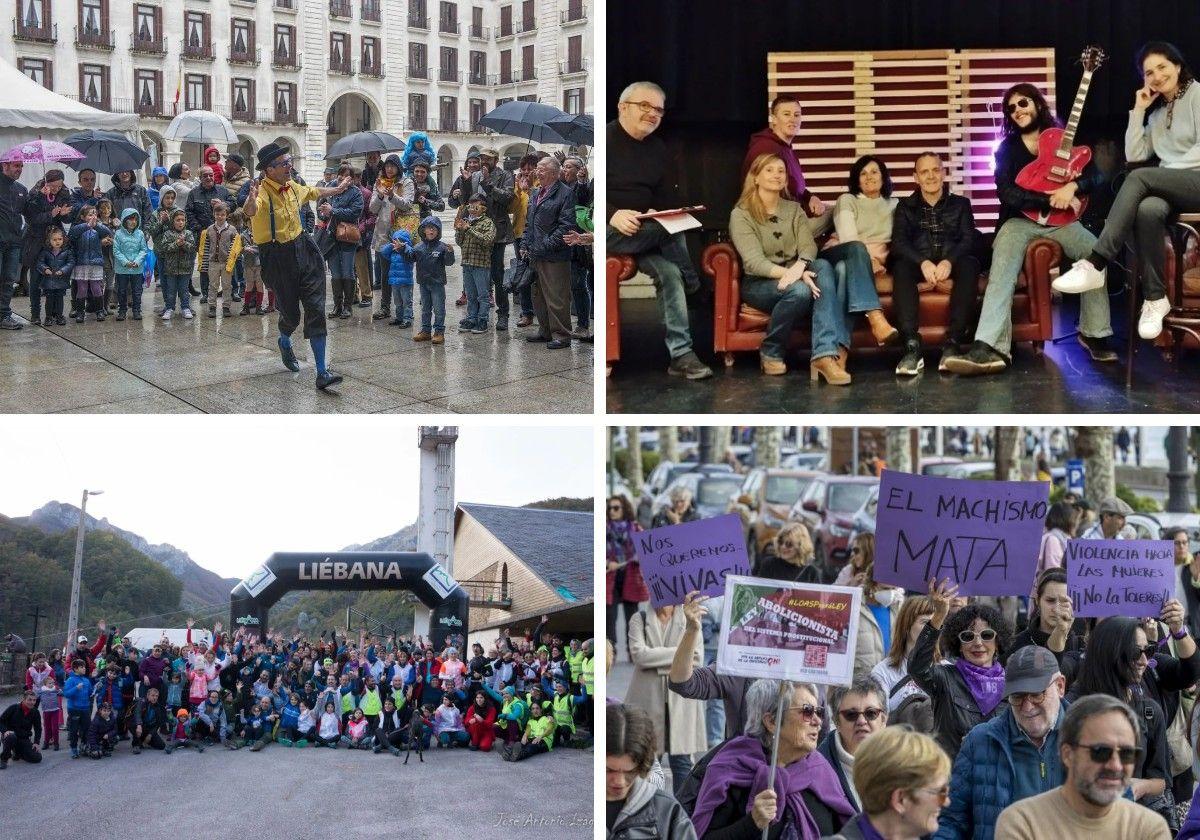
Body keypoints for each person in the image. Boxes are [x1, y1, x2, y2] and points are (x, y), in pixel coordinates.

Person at [945, 83, 1115, 375]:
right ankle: (989, 346)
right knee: (1001, 270)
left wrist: (1073, 185)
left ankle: (1093, 332)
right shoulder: (1007, 150)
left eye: (1022, 104)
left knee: (1094, 255)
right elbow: (1007, 193)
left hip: (1062, 224)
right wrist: (1050, 199)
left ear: (1037, 103)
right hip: (1019, 222)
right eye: (1010, 108)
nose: (1017, 111)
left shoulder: (1064, 138)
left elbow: (1096, 176)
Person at [1053, 42, 1200, 341]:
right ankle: (1156, 299)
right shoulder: (1157, 115)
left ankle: (1097, 261)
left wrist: (1163, 174)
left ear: (1178, 66)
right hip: (1171, 186)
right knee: (1147, 209)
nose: (1157, 76)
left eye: (1162, 67)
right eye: (1149, 72)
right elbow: (1134, 153)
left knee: (1140, 179)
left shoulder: (1198, 94)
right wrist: (1139, 111)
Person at [607, 80, 713, 379]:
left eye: (658, 110)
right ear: (622, 107)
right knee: (668, 232)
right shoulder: (604, 140)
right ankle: (697, 287)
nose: (653, 113)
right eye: (645, 106)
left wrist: (659, 210)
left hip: (644, 233)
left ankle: (681, 355)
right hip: (605, 230)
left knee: (670, 272)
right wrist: (612, 214)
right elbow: (583, 197)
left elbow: (663, 195)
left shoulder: (658, 148)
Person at [242, 142, 355, 390]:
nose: (289, 166)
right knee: (291, 315)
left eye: (289, 161)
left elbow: (313, 192)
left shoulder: (293, 186)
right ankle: (284, 340)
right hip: (277, 257)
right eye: (284, 163)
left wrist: (338, 189)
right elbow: (251, 210)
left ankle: (322, 372)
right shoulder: (261, 193)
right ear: (269, 169)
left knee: (315, 308)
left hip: (304, 248)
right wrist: (249, 200)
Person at [729, 153, 845, 380]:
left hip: (797, 271)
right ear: (756, 178)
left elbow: (808, 247)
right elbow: (754, 262)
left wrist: (799, 268)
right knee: (800, 291)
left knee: (822, 265)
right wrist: (795, 275)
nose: (776, 175)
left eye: (781, 171)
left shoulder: (793, 210)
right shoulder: (741, 214)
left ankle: (824, 353)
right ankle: (771, 349)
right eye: (769, 170)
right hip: (760, 282)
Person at [934, 645, 1067, 840]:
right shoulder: (980, 742)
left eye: (1037, 694)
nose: (1027, 706)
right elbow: (952, 821)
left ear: (1060, 686)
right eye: (1017, 696)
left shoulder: (1090, 739)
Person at [993, 694, 1171, 840]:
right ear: (1068, 755)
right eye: (1100, 752)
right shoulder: (1023, 823)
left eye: (1127, 754)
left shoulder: (1149, 829)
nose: (1116, 766)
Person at [692, 679, 854, 838]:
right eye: (807, 711)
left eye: (819, 712)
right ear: (771, 721)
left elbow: (846, 829)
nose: (818, 721)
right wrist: (751, 823)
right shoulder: (731, 769)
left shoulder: (820, 769)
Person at [1064, 617, 1173, 815]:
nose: (1144, 661)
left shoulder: (1150, 711)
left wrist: (1140, 786)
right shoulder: (1072, 709)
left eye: (1147, 650)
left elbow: (1162, 780)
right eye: (1135, 652)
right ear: (1110, 653)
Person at [889, 152, 980, 374]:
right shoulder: (904, 206)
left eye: (936, 170)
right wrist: (923, 263)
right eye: (924, 171)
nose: (930, 176)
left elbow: (969, 239)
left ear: (944, 173)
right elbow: (899, 242)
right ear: (915, 178)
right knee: (900, 267)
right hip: (919, 263)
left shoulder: (961, 204)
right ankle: (911, 346)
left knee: (970, 263)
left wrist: (949, 261)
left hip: (953, 259)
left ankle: (953, 343)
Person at [910, 578, 1013, 759]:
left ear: (998, 642)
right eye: (968, 636)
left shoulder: (1013, 685)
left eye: (987, 635)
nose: (978, 643)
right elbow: (917, 667)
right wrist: (938, 618)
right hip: (953, 777)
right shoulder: (944, 679)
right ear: (958, 644)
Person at [626, 598, 707, 795]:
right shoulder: (639, 618)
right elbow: (639, 656)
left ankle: (680, 815)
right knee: (648, 764)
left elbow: (696, 658)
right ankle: (649, 811)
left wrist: (656, 660)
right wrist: (680, 656)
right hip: (648, 702)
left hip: (682, 701)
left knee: (682, 764)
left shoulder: (690, 619)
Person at [741, 94, 832, 235]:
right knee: (842, 209)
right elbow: (773, 196)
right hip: (776, 227)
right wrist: (808, 209)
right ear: (774, 119)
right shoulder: (766, 149)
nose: (792, 119)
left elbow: (795, 188)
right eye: (786, 114)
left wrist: (810, 197)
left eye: (797, 115)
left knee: (837, 210)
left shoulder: (786, 149)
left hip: (794, 216)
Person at [607, 703, 698, 840]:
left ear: (642, 766)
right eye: (608, 770)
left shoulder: (668, 812)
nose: (619, 781)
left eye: (629, 772)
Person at [522, 156, 578, 349]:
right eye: (537, 169)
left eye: (542, 169)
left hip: (555, 255)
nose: (537, 172)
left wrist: (544, 245)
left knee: (557, 297)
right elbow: (529, 222)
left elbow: (566, 226)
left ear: (554, 173)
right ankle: (545, 331)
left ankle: (562, 335)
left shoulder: (565, 193)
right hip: (535, 254)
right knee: (538, 295)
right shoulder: (536, 192)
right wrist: (525, 244)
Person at [819, 679, 889, 811]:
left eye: (871, 713)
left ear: (884, 720)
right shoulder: (817, 769)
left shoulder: (903, 762)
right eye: (851, 715)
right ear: (837, 722)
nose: (862, 721)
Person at [21, 170, 73, 325]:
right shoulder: (36, 192)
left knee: (57, 278)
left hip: (55, 240)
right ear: (46, 182)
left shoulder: (64, 192)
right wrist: (50, 212)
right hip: (37, 240)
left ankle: (56, 314)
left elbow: (68, 217)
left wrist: (63, 214)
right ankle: (35, 313)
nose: (56, 189)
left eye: (59, 185)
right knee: (36, 280)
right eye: (53, 186)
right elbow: (31, 217)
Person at [473, 148, 516, 330]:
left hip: (498, 232)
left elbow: (507, 197)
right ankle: (476, 312)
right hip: (478, 229)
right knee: (477, 273)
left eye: (488, 159)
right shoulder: (476, 175)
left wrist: (488, 183)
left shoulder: (505, 175)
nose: (484, 161)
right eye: (482, 158)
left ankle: (503, 314)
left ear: (495, 160)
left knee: (497, 275)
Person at [317, 162, 365, 319]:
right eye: (341, 174)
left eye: (346, 175)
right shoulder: (331, 189)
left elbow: (355, 213)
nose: (343, 178)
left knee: (347, 271)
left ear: (351, 179)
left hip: (347, 236)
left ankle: (347, 306)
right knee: (335, 272)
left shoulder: (355, 192)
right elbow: (322, 210)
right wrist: (324, 212)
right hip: (331, 237)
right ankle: (337, 305)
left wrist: (334, 211)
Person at [1012, 570, 1085, 670]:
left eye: (1064, 602)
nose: (1056, 609)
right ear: (1038, 600)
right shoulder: (1017, 643)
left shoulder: (1081, 646)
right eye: (1050, 600)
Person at [606, 495, 650, 654]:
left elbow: (645, 551)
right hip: (610, 578)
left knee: (632, 617)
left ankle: (633, 650)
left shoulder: (635, 528)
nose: (612, 511)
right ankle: (611, 652)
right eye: (610, 508)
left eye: (616, 508)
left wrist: (631, 560)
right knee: (609, 617)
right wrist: (606, 562)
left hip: (630, 577)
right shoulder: (604, 528)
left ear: (624, 509)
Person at [454, 192, 497, 333]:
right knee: (471, 295)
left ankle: (482, 319)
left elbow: (487, 241)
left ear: (483, 208)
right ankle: (472, 318)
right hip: (466, 263)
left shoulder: (488, 223)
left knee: (482, 295)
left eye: (475, 206)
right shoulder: (466, 221)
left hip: (481, 265)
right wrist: (460, 231)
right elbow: (459, 242)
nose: (472, 209)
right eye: (470, 206)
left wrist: (469, 229)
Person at [853, 564, 903, 682]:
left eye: (894, 589)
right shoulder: (854, 607)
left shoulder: (899, 608)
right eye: (886, 589)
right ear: (872, 585)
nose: (891, 593)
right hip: (861, 683)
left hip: (892, 681)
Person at [410, 215, 453, 343]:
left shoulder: (442, 247)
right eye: (429, 228)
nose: (431, 231)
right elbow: (410, 258)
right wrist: (402, 249)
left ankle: (439, 332)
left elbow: (449, 263)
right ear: (423, 230)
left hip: (437, 284)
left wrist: (450, 253)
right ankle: (426, 331)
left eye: (434, 229)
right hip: (423, 283)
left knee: (439, 309)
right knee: (425, 309)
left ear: (438, 231)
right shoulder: (418, 247)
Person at [197, 200, 241, 317]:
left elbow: (235, 247)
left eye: (222, 215)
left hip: (227, 263)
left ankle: (226, 307)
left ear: (226, 215)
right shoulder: (209, 229)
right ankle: (212, 306)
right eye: (217, 214)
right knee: (213, 285)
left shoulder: (232, 230)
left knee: (227, 286)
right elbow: (205, 247)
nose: (220, 217)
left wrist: (231, 262)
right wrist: (204, 263)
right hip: (213, 263)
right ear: (214, 215)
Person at [0, 159, 29, 330]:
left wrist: (43, 195)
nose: (20, 169)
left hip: (13, 243)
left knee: (9, 280)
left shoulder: (22, 190)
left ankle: (4, 315)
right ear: (5, 166)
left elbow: (30, 213)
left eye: (21, 166)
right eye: (17, 166)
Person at [111, 207, 148, 321]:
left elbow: (143, 250)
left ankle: (136, 310)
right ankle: (122, 310)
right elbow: (116, 250)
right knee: (121, 290)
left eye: (135, 219)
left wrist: (137, 261)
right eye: (130, 219)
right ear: (124, 220)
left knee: (137, 291)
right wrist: (125, 262)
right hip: (122, 269)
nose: (133, 222)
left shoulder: (140, 234)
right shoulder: (118, 234)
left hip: (137, 269)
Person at [755, 521, 822, 583]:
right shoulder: (769, 565)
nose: (783, 547)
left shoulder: (811, 573)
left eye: (789, 544)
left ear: (800, 546)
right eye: (780, 542)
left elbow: (817, 595)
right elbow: (759, 591)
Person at [34, 226, 73, 326]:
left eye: (60, 239)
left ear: (63, 239)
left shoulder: (66, 252)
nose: (57, 242)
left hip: (61, 281)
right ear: (49, 240)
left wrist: (63, 270)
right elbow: (39, 262)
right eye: (54, 239)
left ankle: (60, 316)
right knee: (49, 299)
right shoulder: (45, 252)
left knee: (60, 299)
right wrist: (45, 269)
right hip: (49, 281)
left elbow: (70, 263)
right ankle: (48, 317)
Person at [378, 228, 415, 329]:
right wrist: (391, 245)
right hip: (395, 282)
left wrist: (404, 247)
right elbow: (383, 252)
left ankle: (407, 318)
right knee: (398, 302)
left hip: (405, 282)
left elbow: (411, 254)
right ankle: (399, 317)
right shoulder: (392, 252)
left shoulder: (408, 251)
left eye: (400, 241)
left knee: (407, 301)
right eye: (395, 240)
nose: (397, 243)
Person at [0, 690, 42, 769]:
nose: (32, 702)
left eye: (34, 700)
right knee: (11, 737)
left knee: (37, 758)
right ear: (23, 699)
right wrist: (5, 731)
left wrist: (36, 742)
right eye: (29, 699)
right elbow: (1, 720)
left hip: (23, 738)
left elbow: (38, 728)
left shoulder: (35, 712)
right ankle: (4, 759)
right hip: (10, 736)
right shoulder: (13, 708)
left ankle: (17, 752)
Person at [130, 685, 167, 753]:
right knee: (134, 724)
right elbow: (137, 713)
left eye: (156, 696)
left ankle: (143, 740)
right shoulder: (141, 702)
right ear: (148, 695)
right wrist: (139, 725)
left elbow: (158, 724)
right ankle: (136, 744)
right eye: (153, 695)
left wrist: (150, 735)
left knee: (161, 745)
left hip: (149, 728)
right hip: (140, 726)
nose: (155, 698)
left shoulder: (158, 707)